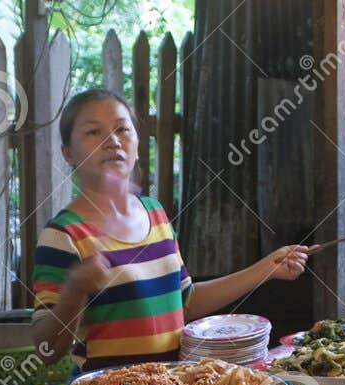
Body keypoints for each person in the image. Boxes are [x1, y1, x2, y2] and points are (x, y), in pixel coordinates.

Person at [32, 89, 315, 370]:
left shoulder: (155, 214)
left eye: (122, 129)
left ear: (138, 142)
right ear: (68, 153)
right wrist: (75, 289)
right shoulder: (64, 234)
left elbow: (185, 302)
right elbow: (47, 350)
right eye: (93, 132)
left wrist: (266, 268)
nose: (112, 141)